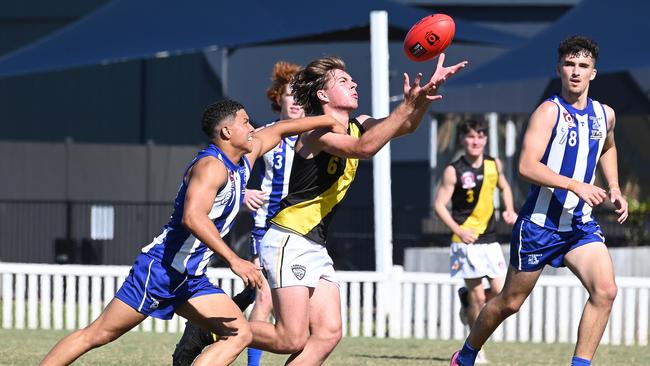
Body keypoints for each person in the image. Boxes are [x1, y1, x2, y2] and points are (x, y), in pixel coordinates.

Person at [40, 99, 344, 366]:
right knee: (98, 334)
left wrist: (328, 119)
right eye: (245, 122)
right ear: (226, 132)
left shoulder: (243, 161)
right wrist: (234, 260)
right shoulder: (211, 166)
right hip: (160, 270)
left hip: (191, 278)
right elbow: (192, 217)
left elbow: (278, 130)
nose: (253, 127)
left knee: (238, 333)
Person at [247, 54, 467, 365]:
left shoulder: (358, 123)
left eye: (352, 80)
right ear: (323, 94)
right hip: (289, 238)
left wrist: (426, 95)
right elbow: (365, 149)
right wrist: (406, 105)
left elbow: (403, 127)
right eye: (344, 81)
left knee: (328, 332)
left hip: (313, 244)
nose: (354, 83)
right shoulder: (315, 133)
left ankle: (222, 328)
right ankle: (217, 326)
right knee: (291, 338)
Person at [451, 35, 628, 366]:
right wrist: (574, 184)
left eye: (583, 66)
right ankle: (466, 356)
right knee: (510, 302)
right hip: (539, 225)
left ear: (594, 73)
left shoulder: (605, 115)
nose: (575, 71)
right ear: (559, 68)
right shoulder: (548, 113)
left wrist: (614, 187)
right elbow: (526, 167)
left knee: (605, 291)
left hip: (579, 225)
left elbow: (608, 146)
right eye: (569, 64)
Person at [172, 61, 305, 366]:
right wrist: (243, 193)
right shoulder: (260, 135)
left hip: (301, 232)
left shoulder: (311, 136)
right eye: (289, 94)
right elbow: (232, 170)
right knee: (265, 295)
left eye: (300, 95)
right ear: (277, 99)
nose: (296, 101)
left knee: (290, 313)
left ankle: (207, 328)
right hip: (268, 229)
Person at [434, 118, 517, 364]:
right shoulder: (454, 170)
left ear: (486, 140)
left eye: (480, 136)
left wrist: (510, 209)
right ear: (462, 140)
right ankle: (475, 348)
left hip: (490, 241)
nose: (475, 141)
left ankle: (466, 301)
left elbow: (505, 187)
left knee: (504, 293)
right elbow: (439, 205)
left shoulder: (494, 164)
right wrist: (459, 230)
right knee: (479, 298)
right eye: (471, 137)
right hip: (465, 243)